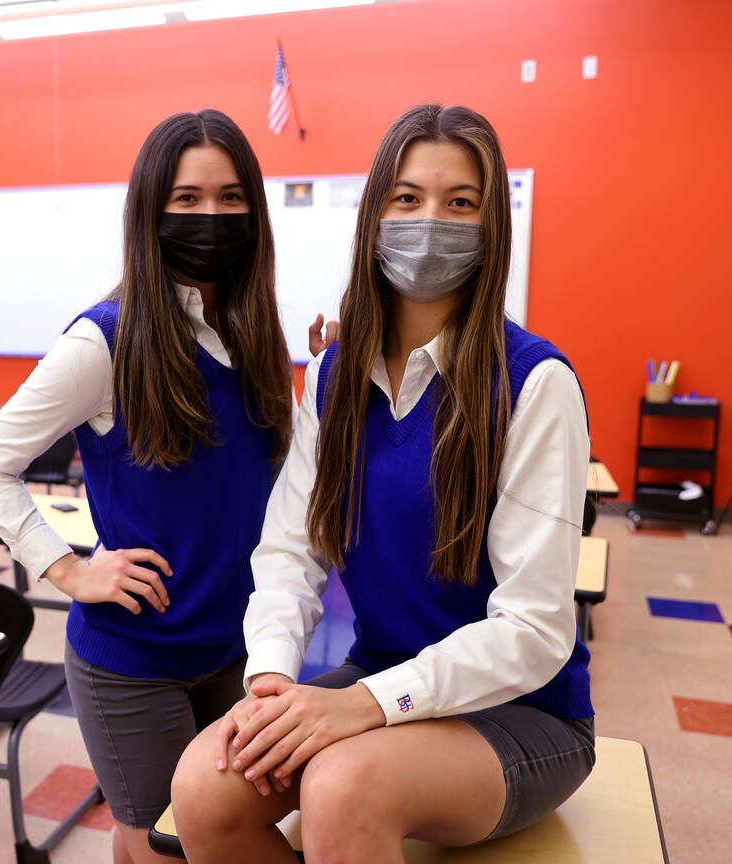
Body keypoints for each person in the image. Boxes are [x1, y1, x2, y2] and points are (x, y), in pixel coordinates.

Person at [171, 104, 594, 864]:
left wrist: (367, 705)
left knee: (342, 786)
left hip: (523, 714)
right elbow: (289, 551)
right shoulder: (332, 376)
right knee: (204, 781)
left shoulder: (534, 383)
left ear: (492, 225)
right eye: (408, 198)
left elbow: (535, 632)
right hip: (383, 675)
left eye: (460, 202)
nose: (432, 221)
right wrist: (270, 682)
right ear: (374, 215)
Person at [0, 108, 310, 864]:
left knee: (197, 837)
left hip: (237, 650)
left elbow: (272, 481)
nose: (210, 216)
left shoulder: (253, 336)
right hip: (133, 660)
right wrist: (71, 569)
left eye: (229, 197)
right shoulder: (103, 341)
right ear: (151, 209)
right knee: (157, 840)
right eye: (186, 198)